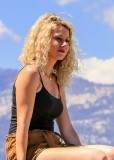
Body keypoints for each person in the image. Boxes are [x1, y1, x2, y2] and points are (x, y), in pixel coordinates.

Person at [5, 13, 114, 160]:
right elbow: (22, 124)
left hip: (50, 144)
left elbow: (67, 128)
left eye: (67, 40)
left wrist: (80, 152)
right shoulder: (31, 73)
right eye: (58, 39)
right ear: (43, 40)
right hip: (28, 147)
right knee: (96, 156)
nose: (64, 44)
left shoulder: (57, 81)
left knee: (110, 153)